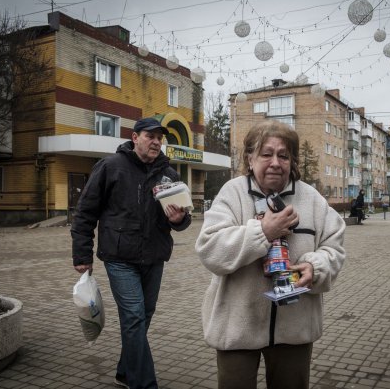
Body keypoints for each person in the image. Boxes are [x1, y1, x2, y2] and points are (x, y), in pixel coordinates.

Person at [195, 120, 346, 389]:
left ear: (293, 161)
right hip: (237, 327)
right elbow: (210, 249)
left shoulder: (311, 198)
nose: (275, 162)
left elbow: (334, 247)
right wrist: (263, 232)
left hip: (295, 329)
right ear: (250, 159)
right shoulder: (232, 193)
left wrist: (316, 267)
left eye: (283, 155)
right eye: (266, 154)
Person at [71, 116, 191, 389]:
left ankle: (125, 372)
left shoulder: (169, 175)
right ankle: (145, 384)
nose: (156, 142)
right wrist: (82, 255)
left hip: (155, 257)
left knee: (144, 316)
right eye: (150, 136)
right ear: (135, 137)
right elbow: (85, 213)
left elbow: (184, 221)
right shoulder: (110, 166)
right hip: (119, 257)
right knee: (134, 317)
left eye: (160, 138)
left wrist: (177, 220)